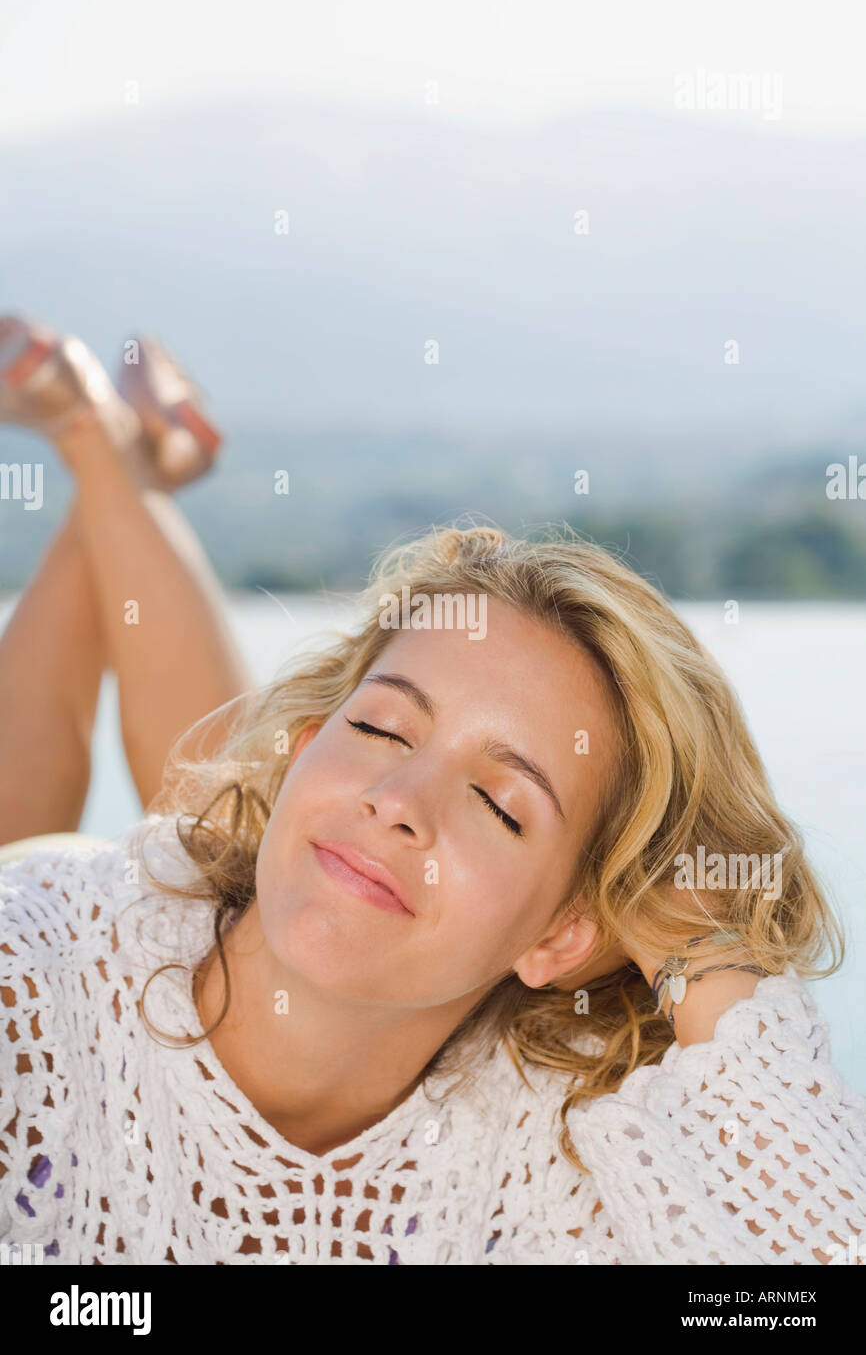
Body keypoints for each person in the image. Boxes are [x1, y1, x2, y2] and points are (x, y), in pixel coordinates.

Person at [0, 316, 864, 1266]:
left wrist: (702, 951)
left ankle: (107, 450)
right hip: (65, 914)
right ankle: (103, 447)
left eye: (502, 805)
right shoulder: (29, 990)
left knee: (227, 816)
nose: (401, 799)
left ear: (563, 934)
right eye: (376, 726)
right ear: (300, 750)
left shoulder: (560, 1170)